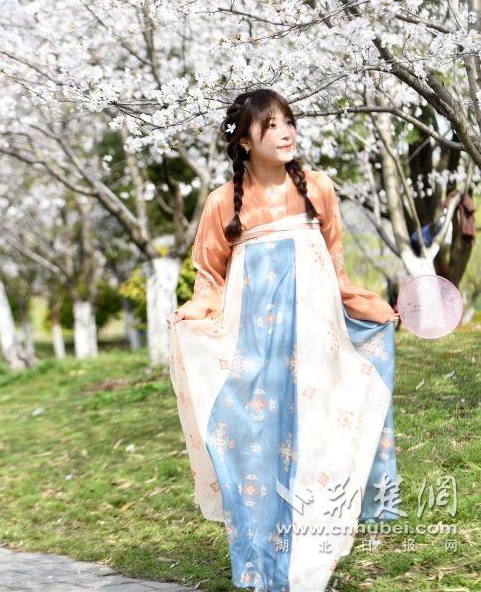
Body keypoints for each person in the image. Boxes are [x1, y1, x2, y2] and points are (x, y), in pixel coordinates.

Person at [167, 89, 400, 592]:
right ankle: (262, 563)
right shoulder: (222, 202)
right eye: (270, 125)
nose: (285, 132)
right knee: (258, 446)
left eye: (288, 121)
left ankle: (311, 560)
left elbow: (334, 264)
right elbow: (210, 276)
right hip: (254, 346)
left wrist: (364, 305)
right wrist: (196, 312)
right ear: (244, 141)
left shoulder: (318, 187)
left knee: (318, 438)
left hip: (317, 342)